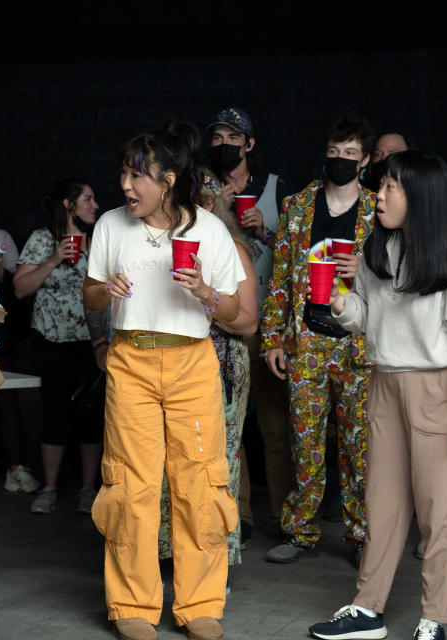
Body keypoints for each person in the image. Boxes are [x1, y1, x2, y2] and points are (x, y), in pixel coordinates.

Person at [308, 150, 447, 640]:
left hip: (439, 389)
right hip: (384, 382)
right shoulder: (381, 245)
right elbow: (370, 318)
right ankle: (367, 609)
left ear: (421, 195)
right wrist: (341, 305)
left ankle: (433, 618)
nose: (379, 195)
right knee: (382, 506)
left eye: (390, 187)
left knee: (440, 513)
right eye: (382, 186)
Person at [83, 124, 243, 640]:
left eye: (137, 176)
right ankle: (132, 603)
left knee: (200, 483)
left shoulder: (209, 231)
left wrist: (205, 292)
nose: (126, 185)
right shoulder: (110, 225)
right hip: (131, 360)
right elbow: (89, 295)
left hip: (192, 362)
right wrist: (106, 289)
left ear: (168, 180)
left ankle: (200, 605)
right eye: (124, 174)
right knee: (132, 483)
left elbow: (238, 310)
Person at [261, 115, 376, 568]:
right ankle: (301, 530)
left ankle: (362, 535)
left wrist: (362, 270)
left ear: (365, 161)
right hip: (306, 339)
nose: (341, 160)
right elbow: (279, 275)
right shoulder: (298, 204)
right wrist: (273, 337)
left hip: (358, 344)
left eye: (351, 154)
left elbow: (394, 278)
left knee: (358, 446)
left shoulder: (377, 209)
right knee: (304, 441)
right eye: (335, 151)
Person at [158, 168, 258, 572]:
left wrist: (204, 299)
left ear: (210, 205)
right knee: (168, 464)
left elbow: (248, 322)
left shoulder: (231, 247)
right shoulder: (161, 243)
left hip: (221, 365)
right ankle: (168, 554)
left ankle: (218, 559)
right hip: (169, 364)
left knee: (216, 466)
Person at [206, 106, 290, 544]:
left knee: (274, 429)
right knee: (228, 428)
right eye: (217, 137)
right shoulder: (203, 187)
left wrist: (266, 233)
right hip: (225, 322)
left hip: (270, 325)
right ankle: (238, 517)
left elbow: (295, 255)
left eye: (233, 138)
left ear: (249, 144)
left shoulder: (274, 187)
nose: (225, 145)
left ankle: (283, 515)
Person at [13, 178, 102, 514]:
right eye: (88, 200)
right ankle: (49, 488)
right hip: (50, 341)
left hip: (93, 343)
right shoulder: (42, 239)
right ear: (68, 204)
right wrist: (52, 260)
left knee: (91, 415)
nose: (94, 206)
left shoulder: (100, 240)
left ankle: (87, 490)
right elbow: (20, 289)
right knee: (54, 413)